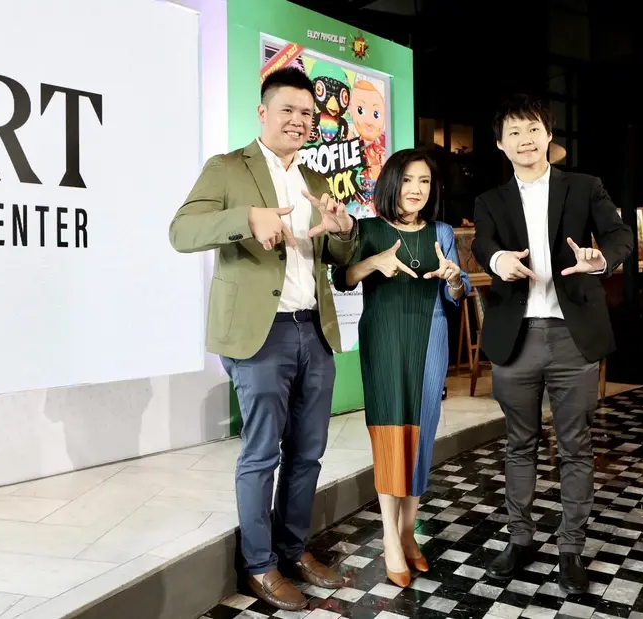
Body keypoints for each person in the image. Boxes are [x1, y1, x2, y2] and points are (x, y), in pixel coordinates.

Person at [168, 67, 358, 612]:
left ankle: (293, 551)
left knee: (309, 452)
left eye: (307, 113)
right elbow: (181, 231)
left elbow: (336, 258)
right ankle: (259, 564)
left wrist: (344, 231)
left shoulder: (317, 180)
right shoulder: (228, 167)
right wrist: (246, 218)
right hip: (261, 334)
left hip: (313, 330)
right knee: (261, 454)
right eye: (287, 110)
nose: (298, 121)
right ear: (263, 112)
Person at [472, 94, 633, 594]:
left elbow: (619, 235)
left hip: (572, 337)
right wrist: (498, 261)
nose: (525, 139)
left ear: (548, 135)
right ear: (501, 144)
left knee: (576, 447)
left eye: (533, 129)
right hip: (515, 338)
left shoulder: (584, 187)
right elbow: (482, 243)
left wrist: (600, 259)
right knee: (519, 444)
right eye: (514, 132)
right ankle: (520, 540)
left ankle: (570, 549)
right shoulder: (490, 201)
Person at [332, 148, 470, 587]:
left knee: (421, 435)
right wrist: (374, 262)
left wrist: (454, 279)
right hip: (384, 339)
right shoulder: (369, 229)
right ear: (392, 183)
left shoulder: (441, 231)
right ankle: (389, 536)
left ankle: (409, 532)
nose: (416, 189)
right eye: (408, 180)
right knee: (390, 433)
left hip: (430, 339)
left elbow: (458, 291)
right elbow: (342, 278)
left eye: (424, 182)